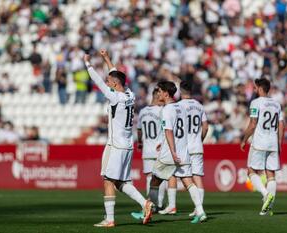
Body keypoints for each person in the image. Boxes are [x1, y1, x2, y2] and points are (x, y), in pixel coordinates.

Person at [83, 50, 153, 227]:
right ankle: (145, 203)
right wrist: (107, 59)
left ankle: (110, 219)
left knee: (108, 180)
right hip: (127, 144)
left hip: (117, 145)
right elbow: (115, 75)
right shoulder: (130, 94)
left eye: (110, 81)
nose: (107, 82)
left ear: (114, 84)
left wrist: (88, 64)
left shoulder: (115, 97)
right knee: (122, 182)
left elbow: (98, 81)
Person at [147, 81, 207, 223]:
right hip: (184, 151)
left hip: (170, 153)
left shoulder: (166, 110)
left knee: (154, 180)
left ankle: (148, 210)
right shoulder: (181, 108)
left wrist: (172, 151)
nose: (158, 94)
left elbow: (169, 131)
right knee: (188, 181)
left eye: (160, 91)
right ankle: (201, 211)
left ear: (166, 93)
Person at [241, 78, 285, 216]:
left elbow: (253, 124)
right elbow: (281, 124)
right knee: (271, 174)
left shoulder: (256, 102)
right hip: (273, 142)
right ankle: (268, 207)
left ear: (260, 88)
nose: (254, 90)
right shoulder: (277, 104)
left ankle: (266, 194)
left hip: (260, 142)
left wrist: (244, 139)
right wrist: (279, 143)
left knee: (251, 171)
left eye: (255, 88)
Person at [131, 88, 166, 219]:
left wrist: (140, 142)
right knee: (160, 177)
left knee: (149, 177)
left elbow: (139, 130)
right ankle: (159, 204)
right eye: (161, 95)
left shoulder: (143, 111)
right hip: (159, 148)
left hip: (147, 149)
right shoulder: (161, 111)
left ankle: (150, 204)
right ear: (157, 96)